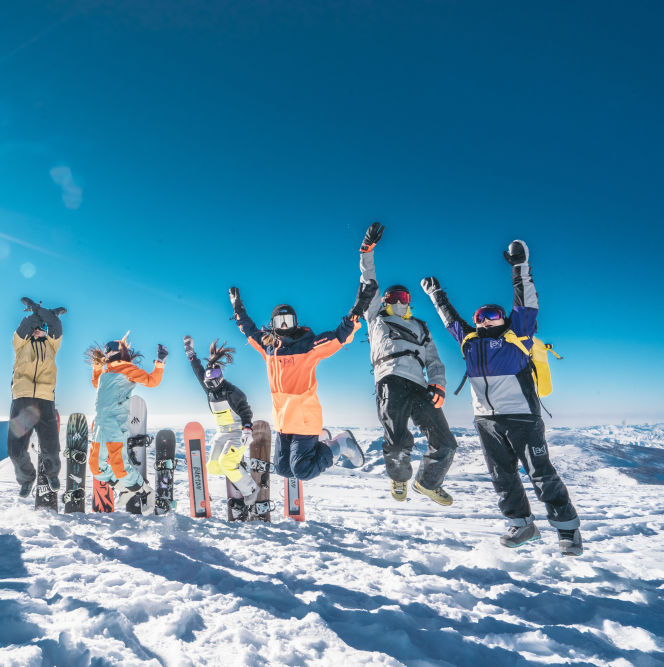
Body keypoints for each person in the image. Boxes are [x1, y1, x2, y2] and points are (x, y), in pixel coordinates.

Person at [422, 240, 582, 556]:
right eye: (479, 316)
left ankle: (567, 529)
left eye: (491, 314)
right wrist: (435, 294)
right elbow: (450, 319)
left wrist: (519, 267)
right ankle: (522, 524)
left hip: (522, 416)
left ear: (504, 318)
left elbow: (526, 304)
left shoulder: (518, 335)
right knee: (501, 475)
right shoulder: (469, 342)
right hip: (486, 420)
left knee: (540, 472)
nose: (484, 320)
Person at [229, 282, 377, 481]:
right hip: (283, 421)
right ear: (272, 324)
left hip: (304, 419)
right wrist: (238, 310)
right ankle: (320, 440)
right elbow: (249, 330)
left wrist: (357, 310)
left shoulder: (308, 346)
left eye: (288, 321)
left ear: (296, 323)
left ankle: (340, 444)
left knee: (302, 470)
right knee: (283, 470)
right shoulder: (268, 349)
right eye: (280, 321)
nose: (284, 326)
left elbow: (339, 336)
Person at [357, 222, 459, 505]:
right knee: (398, 442)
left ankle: (428, 483)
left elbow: (434, 360)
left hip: (420, 386)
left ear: (410, 302)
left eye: (403, 297)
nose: (399, 301)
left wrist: (438, 384)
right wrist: (366, 252)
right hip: (390, 379)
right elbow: (369, 283)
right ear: (385, 301)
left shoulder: (421, 327)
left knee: (446, 443)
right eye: (393, 298)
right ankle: (399, 477)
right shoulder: (376, 319)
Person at [86, 334, 167, 510]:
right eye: (106, 348)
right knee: (95, 467)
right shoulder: (106, 372)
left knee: (119, 466)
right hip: (100, 424)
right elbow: (96, 383)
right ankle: (124, 489)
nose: (106, 351)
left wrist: (160, 362)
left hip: (115, 423)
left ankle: (146, 492)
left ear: (118, 351)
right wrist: (97, 366)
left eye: (109, 348)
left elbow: (152, 381)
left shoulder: (127, 369)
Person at [183, 336, 259, 513]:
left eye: (213, 383)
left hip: (238, 433)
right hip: (221, 433)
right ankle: (237, 467)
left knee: (226, 462)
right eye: (207, 383)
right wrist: (191, 355)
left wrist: (247, 429)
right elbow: (198, 371)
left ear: (220, 379)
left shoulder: (233, 392)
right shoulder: (209, 388)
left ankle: (250, 489)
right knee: (213, 466)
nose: (210, 386)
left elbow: (245, 410)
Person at [7, 297, 67, 498]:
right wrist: (37, 312)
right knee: (15, 450)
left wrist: (45, 315)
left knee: (51, 447)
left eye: (40, 328)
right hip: (23, 400)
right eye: (34, 328)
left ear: (44, 330)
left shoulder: (52, 345)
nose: (35, 330)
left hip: (45, 399)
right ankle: (27, 478)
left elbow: (56, 326)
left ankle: (52, 474)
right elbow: (25, 326)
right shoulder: (20, 344)